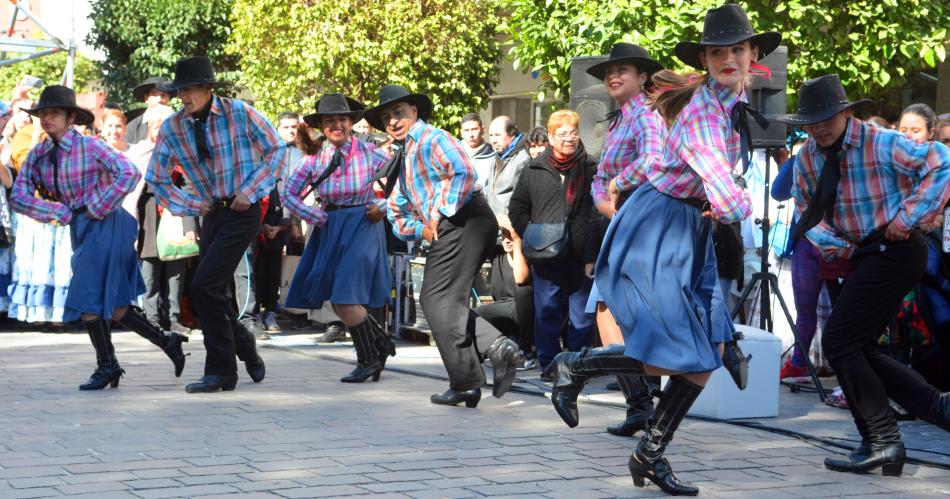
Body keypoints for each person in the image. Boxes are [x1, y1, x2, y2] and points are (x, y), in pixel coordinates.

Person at [545, 5, 780, 495]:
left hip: (689, 225)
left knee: (708, 354)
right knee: (683, 353)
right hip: (662, 226)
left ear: (754, 54)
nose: (729, 59)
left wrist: (712, 201)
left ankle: (648, 453)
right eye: (718, 53)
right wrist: (731, 200)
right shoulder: (704, 114)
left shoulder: (727, 101)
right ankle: (578, 367)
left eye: (738, 50)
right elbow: (725, 195)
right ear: (706, 60)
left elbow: (678, 173)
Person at [780, 74, 950, 476]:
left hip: (897, 247)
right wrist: (839, 247)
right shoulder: (807, 158)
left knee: (839, 341)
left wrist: (908, 218)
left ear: (846, 113)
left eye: (826, 119)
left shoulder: (880, 141)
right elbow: (806, 211)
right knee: (859, 347)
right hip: (861, 253)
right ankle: (935, 409)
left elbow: (941, 162)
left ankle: (883, 439)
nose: (819, 129)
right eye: (811, 122)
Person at [11, 85, 188, 390]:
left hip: (107, 222)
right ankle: (166, 341)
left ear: (70, 118)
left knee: (87, 298)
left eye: (55, 113)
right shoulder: (39, 153)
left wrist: (97, 206)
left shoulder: (90, 146)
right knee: (115, 304)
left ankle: (107, 366)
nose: (47, 118)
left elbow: (129, 173)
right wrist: (56, 211)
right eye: (43, 113)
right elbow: (19, 196)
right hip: (79, 226)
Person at [364, 84, 522, 408]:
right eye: (386, 117)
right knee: (442, 300)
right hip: (453, 223)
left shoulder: (431, 138)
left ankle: (488, 355)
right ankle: (474, 373)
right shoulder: (405, 154)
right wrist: (422, 229)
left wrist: (437, 214)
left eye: (398, 113)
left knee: (436, 298)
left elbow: (463, 173)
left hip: (464, 218)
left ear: (414, 112)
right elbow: (396, 210)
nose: (392, 121)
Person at [146, 56, 285, 393]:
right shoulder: (173, 127)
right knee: (212, 290)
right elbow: (156, 179)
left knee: (204, 286)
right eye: (179, 91)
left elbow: (277, 151)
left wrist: (250, 192)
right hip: (210, 213)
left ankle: (220, 370)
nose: (183, 96)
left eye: (189, 89)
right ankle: (244, 344)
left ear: (208, 88)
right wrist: (193, 204)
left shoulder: (239, 112)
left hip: (242, 210)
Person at [282, 93, 395, 382]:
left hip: (363, 224)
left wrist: (382, 206)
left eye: (342, 119)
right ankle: (380, 344)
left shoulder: (370, 152)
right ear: (321, 126)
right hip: (330, 227)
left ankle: (369, 360)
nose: (337, 125)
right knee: (337, 299)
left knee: (345, 299)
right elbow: (288, 194)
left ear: (351, 122)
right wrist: (315, 216)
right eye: (329, 120)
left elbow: (403, 184)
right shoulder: (314, 158)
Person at [584, 43, 666, 438]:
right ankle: (640, 405)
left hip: (644, 221)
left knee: (617, 309)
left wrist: (616, 185)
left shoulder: (647, 115)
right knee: (609, 309)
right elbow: (599, 175)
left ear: (643, 77)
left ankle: (646, 403)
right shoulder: (618, 121)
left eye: (622, 71)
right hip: (621, 221)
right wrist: (603, 200)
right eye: (608, 73)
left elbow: (653, 161)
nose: (613, 77)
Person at [508, 110, 598, 371]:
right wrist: (532, 235)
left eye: (573, 133)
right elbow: (517, 208)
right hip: (545, 253)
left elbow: (597, 214)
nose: (568, 138)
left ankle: (578, 368)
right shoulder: (534, 168)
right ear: (550, 137)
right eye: (562, 134)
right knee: (547, 312)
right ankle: (549, 365)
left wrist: (592, 255)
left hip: (581, 255)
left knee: (581, 318)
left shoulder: (591, 167)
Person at [126, 104, 195, 335]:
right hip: (148, 217)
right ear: (149, 128)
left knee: (176, 270)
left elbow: (189, 188)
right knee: (149, 270)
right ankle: (152, 318)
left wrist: (189, 224)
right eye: (156, 126)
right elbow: (131, 188)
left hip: (175, 216)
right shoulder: (139, 152)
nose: (161, 130)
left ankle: (173, 317)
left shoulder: (181, 153)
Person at [474, 222, 534, 363]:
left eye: (511, 236)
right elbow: (478, 234)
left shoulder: (529, 253)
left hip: (526, 311)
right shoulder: (497, 252)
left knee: (523, 290)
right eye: (504, 235)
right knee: (471, 316)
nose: (506, 240)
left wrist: (517, 241)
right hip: (502, 308)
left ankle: (525, 351)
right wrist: (496, 221)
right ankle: (487, 350)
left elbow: (521, 279)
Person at [486, 116, 530, 216]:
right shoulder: (496, 156)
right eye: (491, 135)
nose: (493, 140)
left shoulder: (524, 158)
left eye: (497, 135)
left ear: (512, 135)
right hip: (493, 219)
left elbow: (522, 198)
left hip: (510, 219)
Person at [125, 77, 172, 144]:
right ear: (146, 98)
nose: (159, 99)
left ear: (168, 98)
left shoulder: (177, 122)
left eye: (163, 95)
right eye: (154, 95)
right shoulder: (132, 125)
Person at [459, 113, 498, 189]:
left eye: (474, 129)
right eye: (466, 130)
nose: (471, 135)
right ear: (461, 133)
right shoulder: (454, 154)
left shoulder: (494, 156)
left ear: (483, 130)